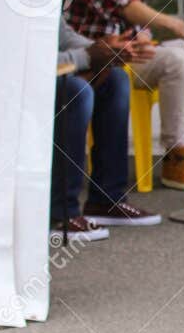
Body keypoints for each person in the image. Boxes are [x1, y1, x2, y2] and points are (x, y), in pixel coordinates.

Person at [67, 0, 184, 220]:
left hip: (124, 55)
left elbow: (134, 21)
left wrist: (144, 39)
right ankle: (94, 199)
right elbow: (121, 6)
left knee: (178, 57)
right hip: (88, 58)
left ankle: (175, 152)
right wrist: (172, 23)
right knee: (123, 77)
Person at [51, 16, 159, 239]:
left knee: (116, 79)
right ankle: (60, 213)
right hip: (16, 81)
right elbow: (26, 61)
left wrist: (108, 49)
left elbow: (63, 35)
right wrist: (87, 56)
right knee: (76, 92)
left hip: (58, 68)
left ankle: (106, 199)